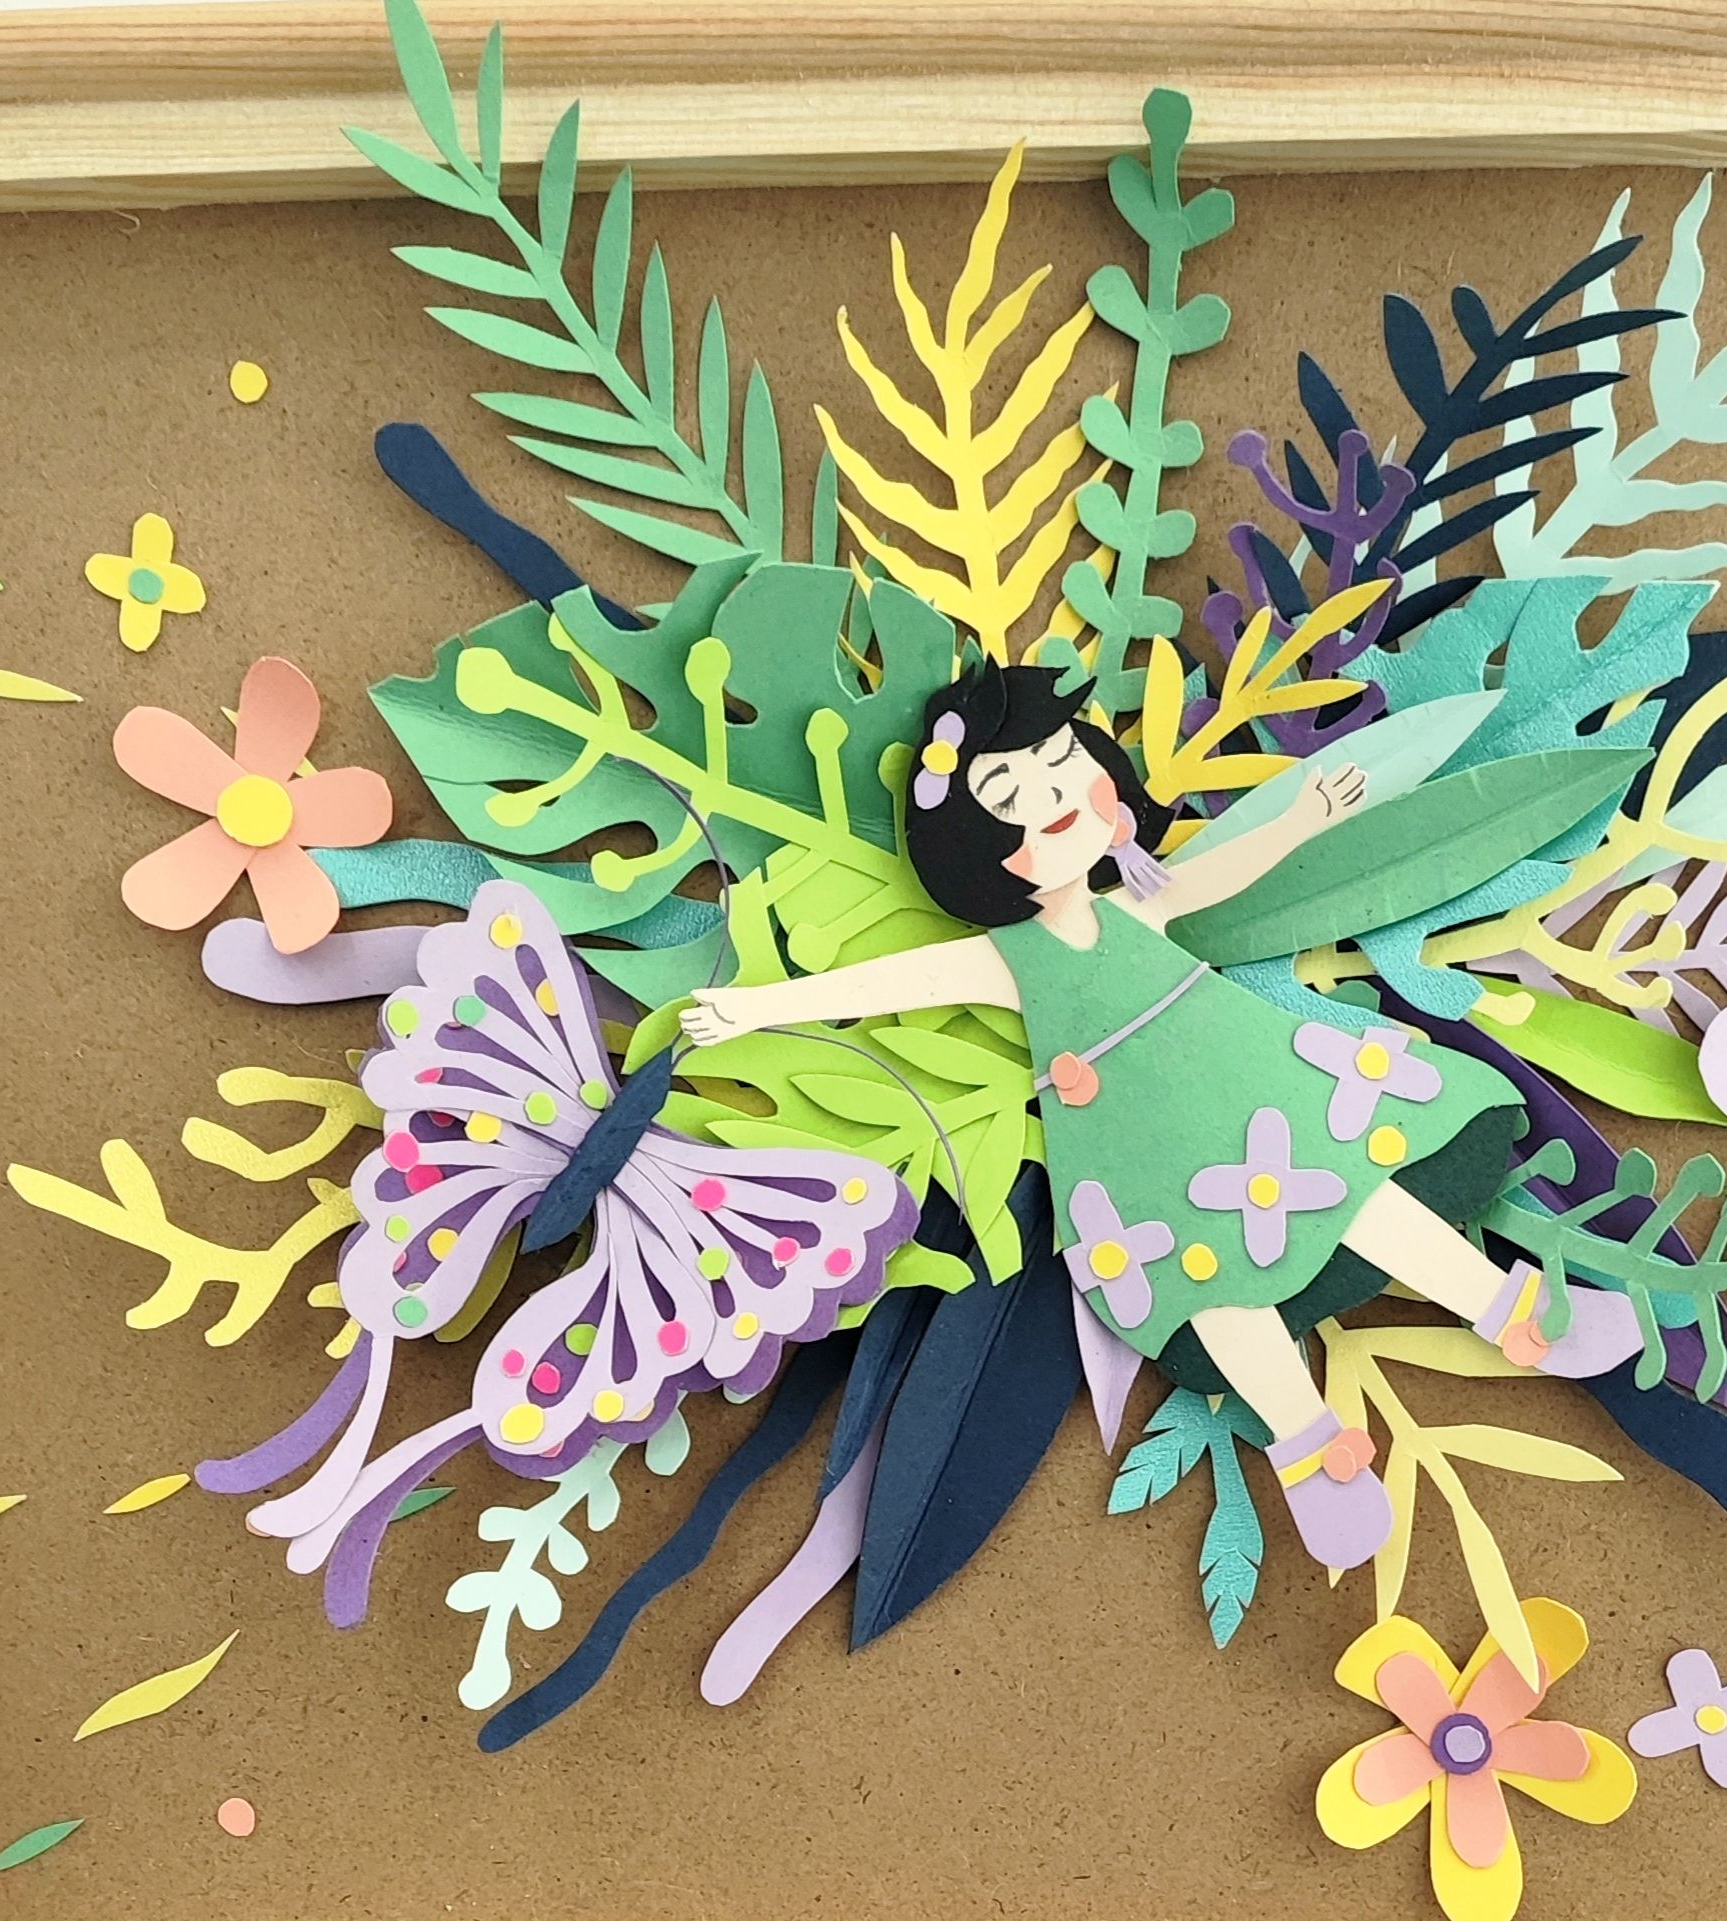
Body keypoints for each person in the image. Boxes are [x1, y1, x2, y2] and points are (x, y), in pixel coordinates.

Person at [674, 662, 1635, 1566]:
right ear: (974, 849)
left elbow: (1218, 877)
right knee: (1210, 1283)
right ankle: (1311, 1454)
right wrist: (755, 1009)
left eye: (1061, 763)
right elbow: (894, 983)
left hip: (1254, 1083)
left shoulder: (1137, 904)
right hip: (1143, 1148)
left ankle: (1517, 1314)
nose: (1054, 797)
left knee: (1359, 1192)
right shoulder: (1013, 957)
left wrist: (1300, 819)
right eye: (1011, 796)